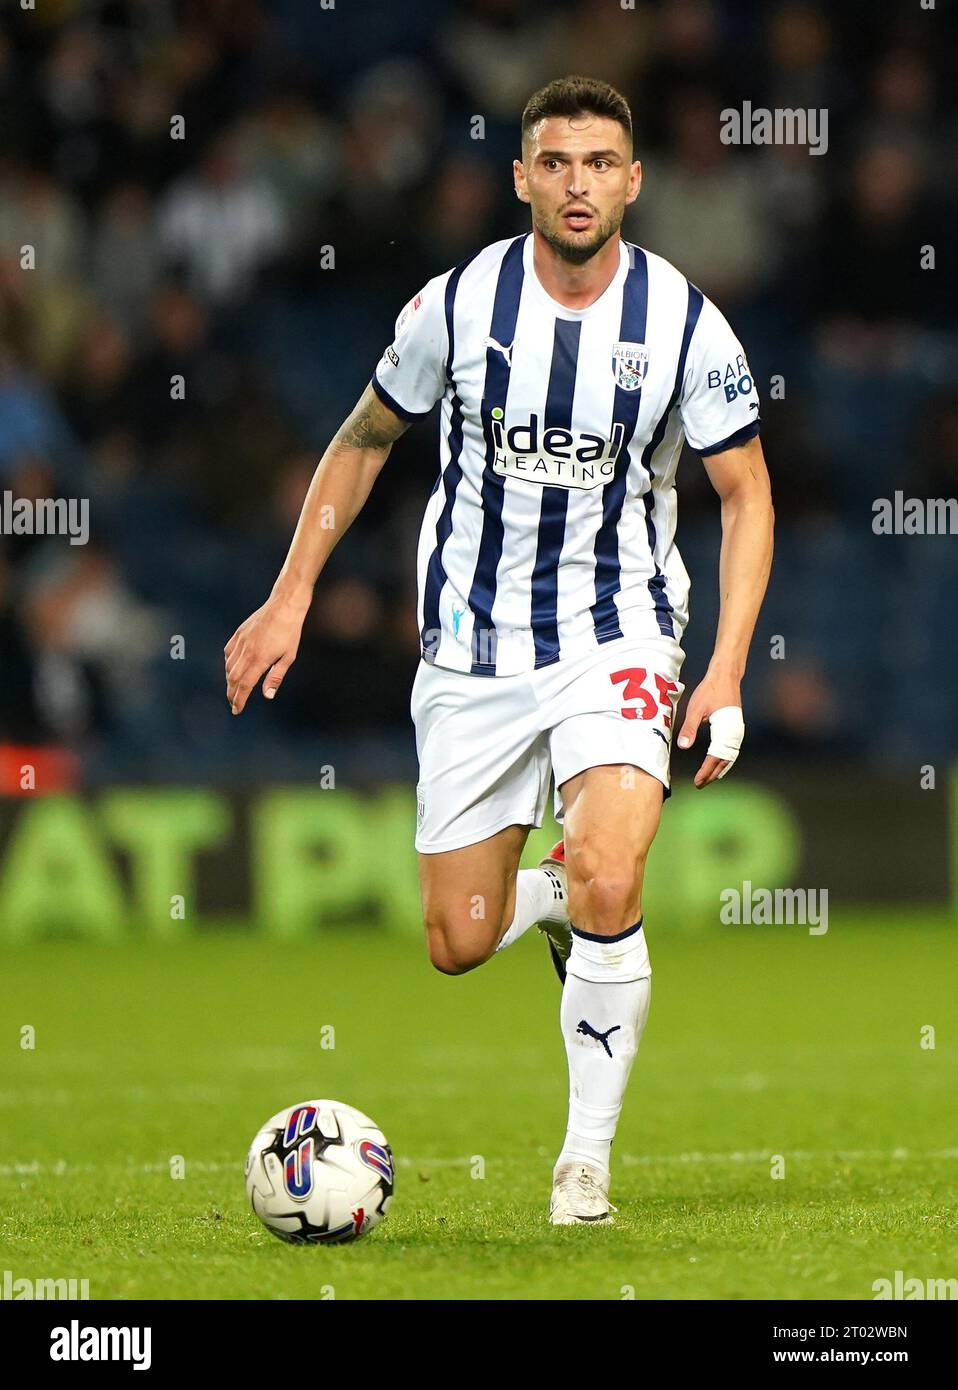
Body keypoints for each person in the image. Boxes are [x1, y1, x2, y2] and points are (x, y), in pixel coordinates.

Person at [225, 75, 774, 1225]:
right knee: (458, 941)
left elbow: (745, 494)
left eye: (599, 163)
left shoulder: (682, 322)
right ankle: (566, 896)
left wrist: (721, 666)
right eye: (555, 162)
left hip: (615, 632)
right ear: (521, 176)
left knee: (613, 869)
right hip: (471, 652)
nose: (577, 184)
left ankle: (583, 1164)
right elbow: (366, 438)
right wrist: (289, 595)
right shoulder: (459, 305)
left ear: (633, 180)